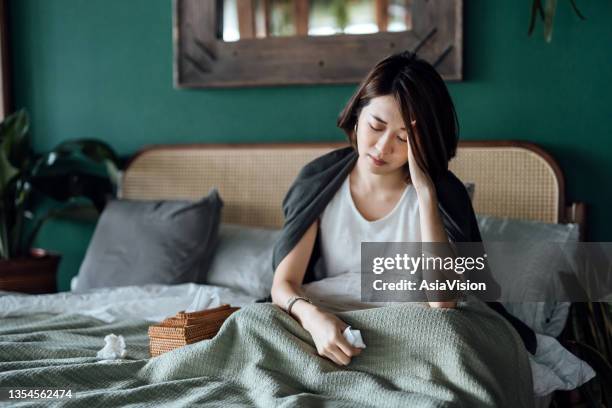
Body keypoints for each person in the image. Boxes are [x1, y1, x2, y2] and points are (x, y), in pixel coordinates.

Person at [270, 51, 534, 367]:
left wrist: (425, 193)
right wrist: (312, 316)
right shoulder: (318, 182)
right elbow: (284, 285)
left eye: (404, 138)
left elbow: (442, 302)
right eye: (376, 126)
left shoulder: (444, 195)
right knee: (252, 321)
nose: (383, 148)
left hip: (415, 325)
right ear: (357, 115)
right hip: (329, 320)